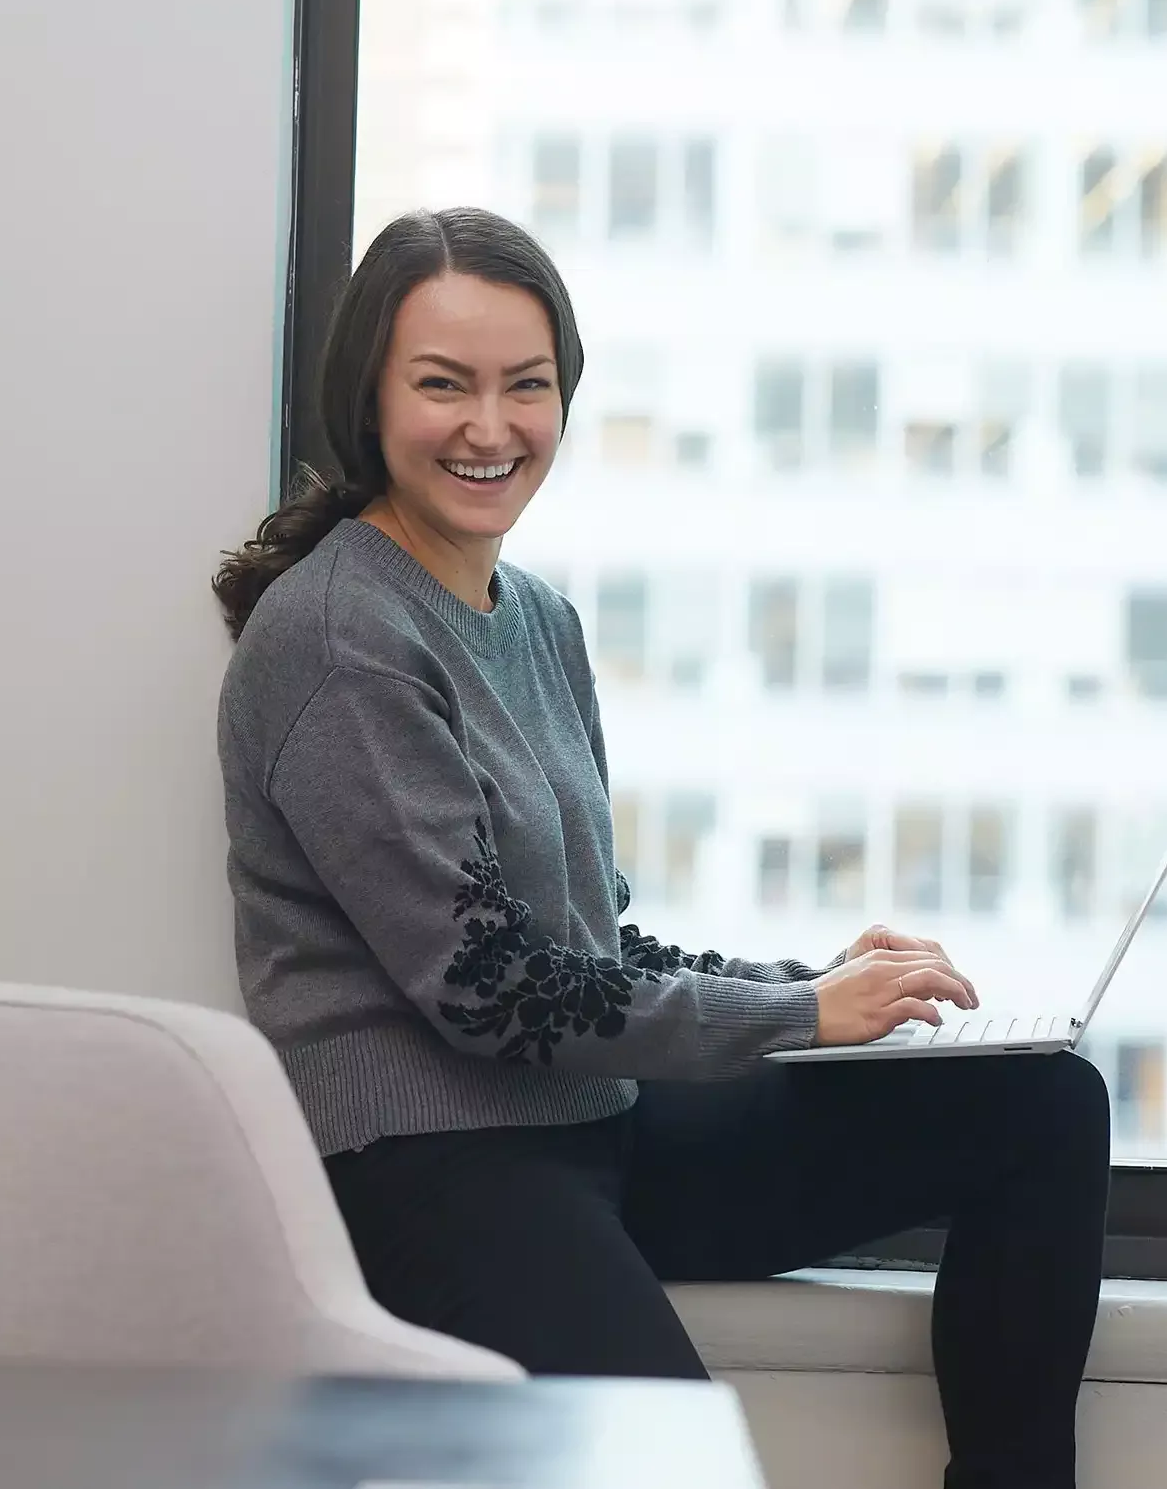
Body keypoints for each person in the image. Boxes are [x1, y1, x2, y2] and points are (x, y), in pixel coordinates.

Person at [212, 207, 1110, 1489]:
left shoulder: (535, 619)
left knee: (1040, 1104)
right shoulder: (342, 635)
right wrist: (798, 1008)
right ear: (369, 397)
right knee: (677, 1468)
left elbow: (592, 943)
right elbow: (495, 989)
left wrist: (818, 991)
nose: (489, 425)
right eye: (442, 384)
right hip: (428, 1165)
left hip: (596, 1121)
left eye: (526, 385)